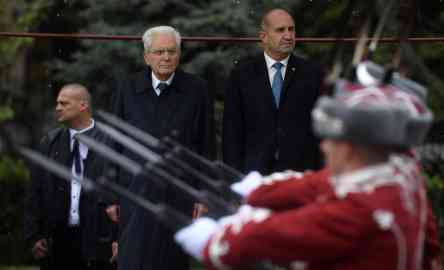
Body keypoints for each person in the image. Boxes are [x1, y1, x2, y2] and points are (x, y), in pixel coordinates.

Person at [176, 80, 439, 269]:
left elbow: (286, 233)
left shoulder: (360, 209)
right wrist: (262, 191)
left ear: (349, 150)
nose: (323, 146)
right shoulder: (398, 173)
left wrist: (218, 242)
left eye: (330, 140)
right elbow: (321, 185)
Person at [107, 25, 214, 270]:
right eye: (159, 52)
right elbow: (114, 142)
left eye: (171, 51)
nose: (166, 57)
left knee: (172, 261)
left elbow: (205, 144)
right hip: (134, 191)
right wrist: (111, 196)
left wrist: (203, 195)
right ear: (146, 56)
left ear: (179, 54)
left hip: (179, 193)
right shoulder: (127, 88)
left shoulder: (196, 89)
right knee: (134, 261)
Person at [24, 84, 115, 270]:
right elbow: (35, 191)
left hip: (100, 241)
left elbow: (123, 194)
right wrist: (34, 235)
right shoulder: (50, 142)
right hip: (59, 241)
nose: (58, 108)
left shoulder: (111, 143)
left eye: (64, 103)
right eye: (57, 103)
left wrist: (120, 239)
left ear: (83, 105)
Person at [222, 8, 324, 175]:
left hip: (300, 174)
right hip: (253, 175)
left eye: (291, 29)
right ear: (263, 36)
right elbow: (232, 132)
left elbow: (320, 130)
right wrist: (233, 178)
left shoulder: (312, 73)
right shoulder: (242, 74)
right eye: (280, 30)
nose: (288, 36)